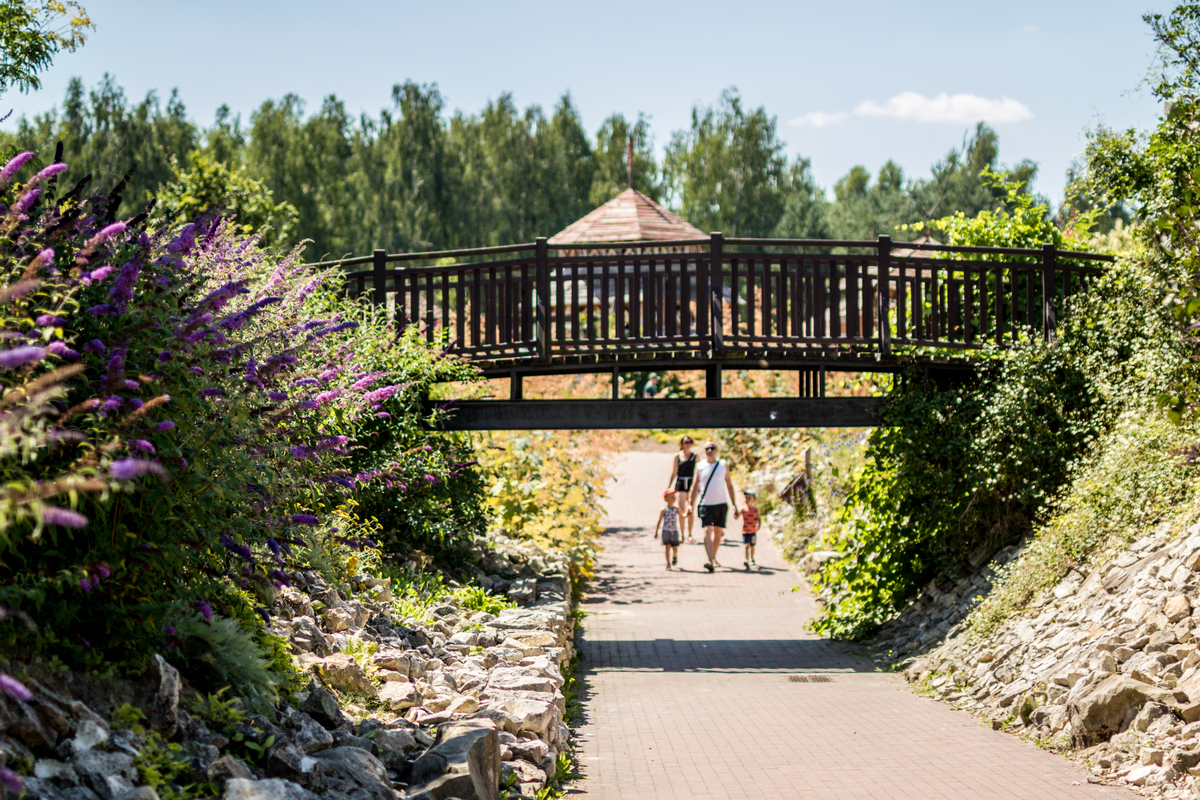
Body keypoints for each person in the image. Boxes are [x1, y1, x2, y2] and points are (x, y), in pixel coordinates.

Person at [690, 441, 737, 573]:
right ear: (704, 451)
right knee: (707, 529)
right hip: (705, 503)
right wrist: (690, 504)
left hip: (721, 503)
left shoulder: (723, 465)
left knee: (717, 532)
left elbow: (729, 484)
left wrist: (734, 504)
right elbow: (695, 486)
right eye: (707, 448)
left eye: (712, 448)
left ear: (717, 450)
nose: (710, 450)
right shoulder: (699, 466)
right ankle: (710, 560)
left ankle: (714, 557)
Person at [666, 435, 698, 543]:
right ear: (682, 444)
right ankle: (681, 534)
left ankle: (690, 534)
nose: (687, 444)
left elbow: (698, 472)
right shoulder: (677, 456)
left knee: (690, 509)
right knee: (681, 509)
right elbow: (674, 472)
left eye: (689, 442)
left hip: (691, 484)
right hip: (680, 483)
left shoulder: (695, 456)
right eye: (685, 442)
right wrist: (669, 486)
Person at [653, 488, 681, 569]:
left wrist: (687, 514)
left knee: (675, 548)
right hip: (666, 531)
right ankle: (668, 563)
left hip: (674, 531)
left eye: (674, 497)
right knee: (667, 547)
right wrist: (656, 531)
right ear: (666, 499)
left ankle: (674, 556)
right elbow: (659, 520)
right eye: (671, 497)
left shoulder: (676, 509)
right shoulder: (664, 510)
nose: (673, 498)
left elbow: (682, 516)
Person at [734, 489, 761, 569]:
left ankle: (752, 558)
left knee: (752, 545)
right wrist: (735, 512)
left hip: (753, 531)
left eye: (749, 498)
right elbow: (736, 517)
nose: (747, 500)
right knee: (746, 545)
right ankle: (746, 560)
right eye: (746, 498)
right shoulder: (743, 509)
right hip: (745, 531)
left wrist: (759, 524)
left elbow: (759, 519)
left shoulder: (756, 510)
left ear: (754, 500)